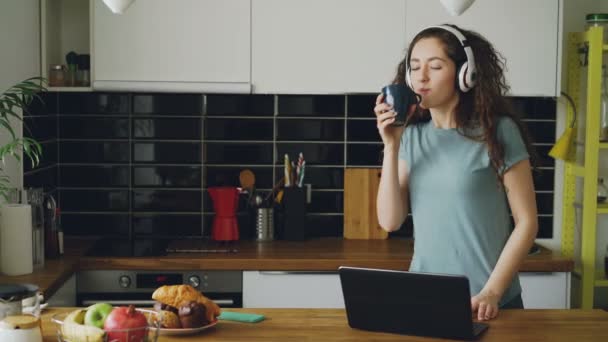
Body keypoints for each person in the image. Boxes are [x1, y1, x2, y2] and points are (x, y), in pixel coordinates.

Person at [374, 24, 539, 321]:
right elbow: (390, 220)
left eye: (435, 66)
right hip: (424, 297)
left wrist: (492, 292)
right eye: (415, 67)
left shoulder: (498, 131)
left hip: (489, 303)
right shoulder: (410, 138)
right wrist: (391, 145)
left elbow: (527, 223)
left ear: (467, 74)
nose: (421, 76)